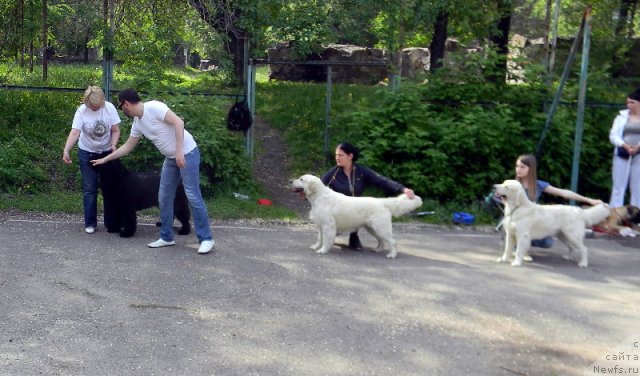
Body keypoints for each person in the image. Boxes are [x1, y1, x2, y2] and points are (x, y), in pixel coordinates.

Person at [90, 88, 215, 254]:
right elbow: (127, 147)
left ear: (126, 104)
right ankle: (166, 237)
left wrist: (179, 151)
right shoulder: (138, 123)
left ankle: (206, 238)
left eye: (121, 107)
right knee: (164, 196)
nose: (122, 111)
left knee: (192, 195)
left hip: (187, 153)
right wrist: (105, 159)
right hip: (171, 158)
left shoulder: (154, 107)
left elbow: (179, 122)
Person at [320, 142, 417, 250]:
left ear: (350, 156)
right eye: (336, 155)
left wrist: (403, 189)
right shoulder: (333, 173)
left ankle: (354, 237)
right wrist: (305, 193)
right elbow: (318, 187)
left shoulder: (362, 171)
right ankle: (332, 235)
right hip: (339, 213)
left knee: (361, 210)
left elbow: (382, 181)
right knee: (331, 229)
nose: (337, 158)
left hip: (357, 211)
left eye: (340, 155)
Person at [62, 86, 121, 234]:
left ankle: (112, 222)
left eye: (97, 106)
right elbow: (75, 132)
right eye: (92, 106)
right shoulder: (81, 111)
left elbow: (115, 130)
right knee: (90, 188)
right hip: (87, 153)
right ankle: (90, 223)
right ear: (87, 103)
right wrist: (66, 150)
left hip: (107, 153)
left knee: (110, 188)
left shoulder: (109, 108)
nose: (95, 108)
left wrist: (113, 145)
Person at [514, 153, 602, 249]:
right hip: (516, 223)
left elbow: (564, 193)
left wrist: (590, 200)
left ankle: (524, 244)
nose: (518, 169)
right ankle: (517, 245)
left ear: (531, 169)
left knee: (548, 242)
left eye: (522, 167)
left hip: (532, 223)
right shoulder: (513, 185)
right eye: (517, 166)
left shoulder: (538, 185)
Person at [609, 88, 640, 208]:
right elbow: (613, 135)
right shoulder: (621, 117)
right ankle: (615, 214)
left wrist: (638, 147)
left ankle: (636, 217)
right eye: (627, 102)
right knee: (618, 186)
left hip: (639, 154)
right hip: (623, 153)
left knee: (637, 187)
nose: (629, 105)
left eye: (632, 102)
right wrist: (624, 145)